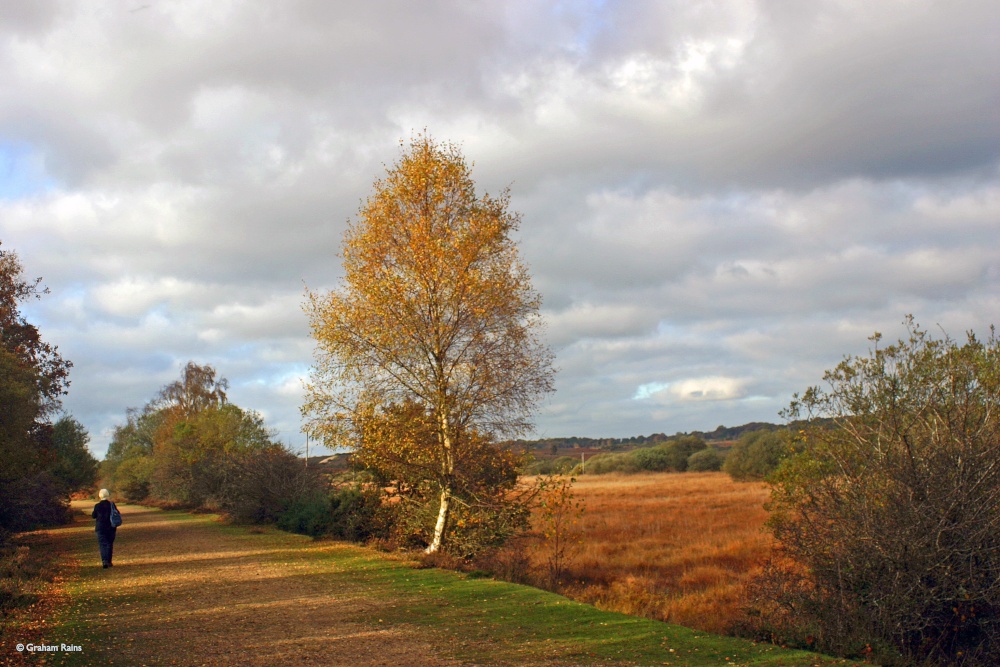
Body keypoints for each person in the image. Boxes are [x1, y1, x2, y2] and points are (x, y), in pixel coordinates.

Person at [92, 489, 118, 568]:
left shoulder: (97, 506)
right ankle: (109, 561)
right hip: (111, 527)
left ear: (100, 496)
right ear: (108, 495)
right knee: (109, 544)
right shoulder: (111, 505)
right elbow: (117, 514)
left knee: (102, 544)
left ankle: (104, 561)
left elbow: (93, 516)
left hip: (100, 528)